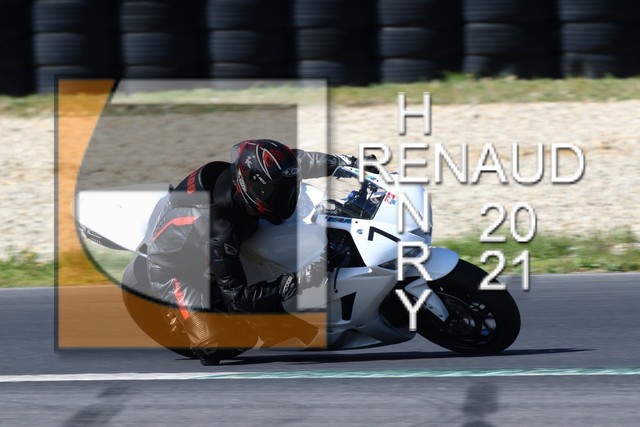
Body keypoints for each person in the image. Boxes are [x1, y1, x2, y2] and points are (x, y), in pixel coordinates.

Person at [146, 139, 366, 365]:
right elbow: (238, 300)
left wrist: (346, 163)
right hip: (176, 270)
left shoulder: (256, 174)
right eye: (275, 193)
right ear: (250, 184)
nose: (285, 199)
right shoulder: (220, 227)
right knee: (219, 345)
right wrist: (294, 281)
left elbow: (300, 162)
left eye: (287, 189)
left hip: (212, 239)